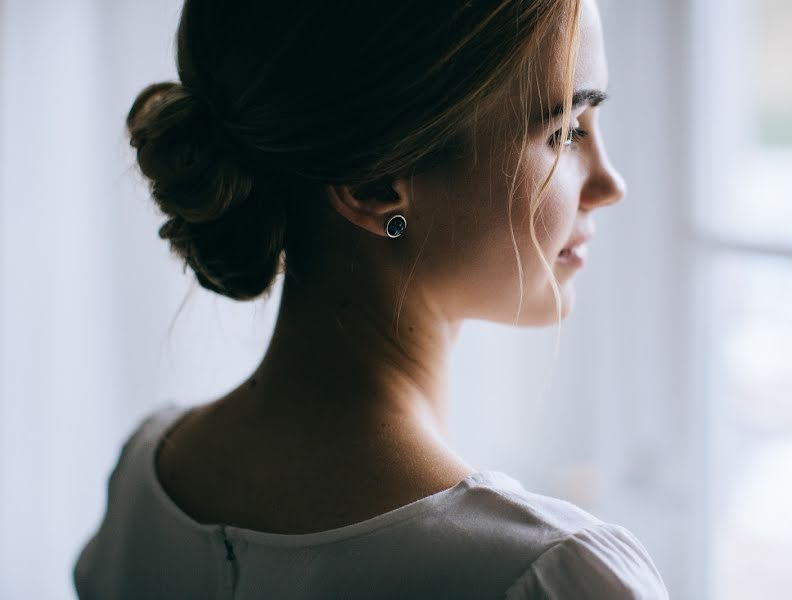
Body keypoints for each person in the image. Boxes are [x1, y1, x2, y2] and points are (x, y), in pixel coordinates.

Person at [73, 0, 669, 597]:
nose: (610, 185)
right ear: (374, 184)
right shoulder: (547, 578)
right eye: (564, 132)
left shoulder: (142, 482)